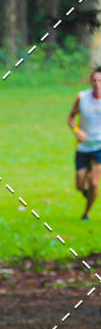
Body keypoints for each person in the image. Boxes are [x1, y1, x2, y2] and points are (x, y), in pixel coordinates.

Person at [67, 67, 101, 220]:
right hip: (83, 147)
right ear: (90, 81)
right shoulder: (82, 97)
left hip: (99, 147)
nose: (97, 84)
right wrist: (76, 131)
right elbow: (70, 118)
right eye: (94, 80)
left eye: (100, 81)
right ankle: (90, 195)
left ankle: (86, 213)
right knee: (80, 185)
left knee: (94, 183)